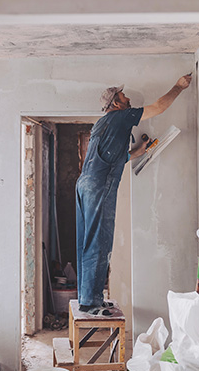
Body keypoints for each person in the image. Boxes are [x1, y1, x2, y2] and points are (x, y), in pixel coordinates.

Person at [75, 74, 192, 316]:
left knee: (88, 241)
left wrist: (139, 150)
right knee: (100, 240)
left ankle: (89, 297)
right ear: (116, 104)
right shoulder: (121, 116)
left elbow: (115, 156)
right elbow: (158, 107)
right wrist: (178, 86)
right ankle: (91, 303)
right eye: (123, 96)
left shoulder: (102, 124)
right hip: (99, 185)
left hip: (85, 184)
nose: (127, 98)